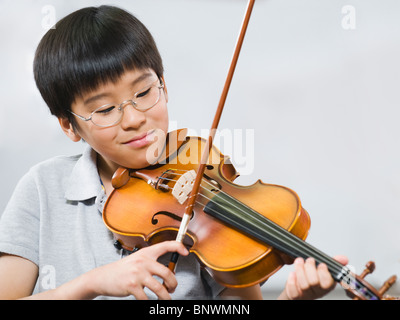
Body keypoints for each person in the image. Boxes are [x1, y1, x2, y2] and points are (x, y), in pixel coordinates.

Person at [0, 5, 347, 300]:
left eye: (145, 91)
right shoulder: (41, 188)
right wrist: (92, 283)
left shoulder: (203, 178)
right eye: (105, 110)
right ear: (69, 126)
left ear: (164, 85)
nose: (135, 119)